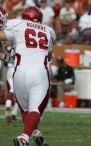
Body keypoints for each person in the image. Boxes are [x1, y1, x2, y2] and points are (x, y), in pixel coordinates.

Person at [0, 6, 56, 146]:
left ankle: (35, 132)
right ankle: (24, 138)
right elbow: (48, 54)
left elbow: (2, 36)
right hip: (38, 72)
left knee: (25, 110)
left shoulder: (16, 23)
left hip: (19, 72)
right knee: (35, 109)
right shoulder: (49, 31)